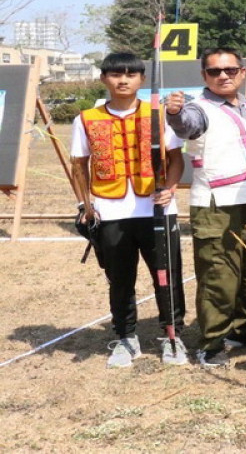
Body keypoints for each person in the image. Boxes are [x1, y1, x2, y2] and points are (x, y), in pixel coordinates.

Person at [165, 47, 246, 369]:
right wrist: (174, 114)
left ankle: (244, 329)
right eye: (215, 71)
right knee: (219, 276)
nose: (223, 76)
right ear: (204, 75)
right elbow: (185, 126)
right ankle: (212, 341)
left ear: (242, 73)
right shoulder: (199, 108)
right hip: (217, 205)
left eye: (230, 70)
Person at [70, 52, 188, 367]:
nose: (123, 80)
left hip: (156, 209)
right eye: (115, 74)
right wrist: (86, 205)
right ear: (103, 79)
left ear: (141, 79)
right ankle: (125, 336)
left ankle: (172, 337)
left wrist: (171, 188)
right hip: (110, 210)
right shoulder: (86, 119)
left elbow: (176, 158)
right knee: (119, 278)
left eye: (130, 74)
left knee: (168, 275)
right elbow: (79, 165)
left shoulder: (158, 114)